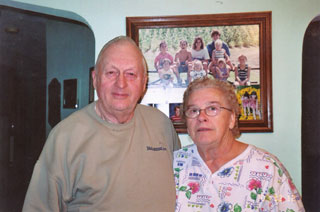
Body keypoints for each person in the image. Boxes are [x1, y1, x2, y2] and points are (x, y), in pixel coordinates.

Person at [23, 36, 181, 212]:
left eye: (131, 74)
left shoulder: (162, 125)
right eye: (111, 73)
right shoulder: (64, 137)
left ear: (144, 82)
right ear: (95, 79)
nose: (121, 83)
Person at [173, 77, 305, 212]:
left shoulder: (267, 169)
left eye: (212, 108)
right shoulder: (173, 165)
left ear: (232, 119)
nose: (201, 117)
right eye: (193, 111)